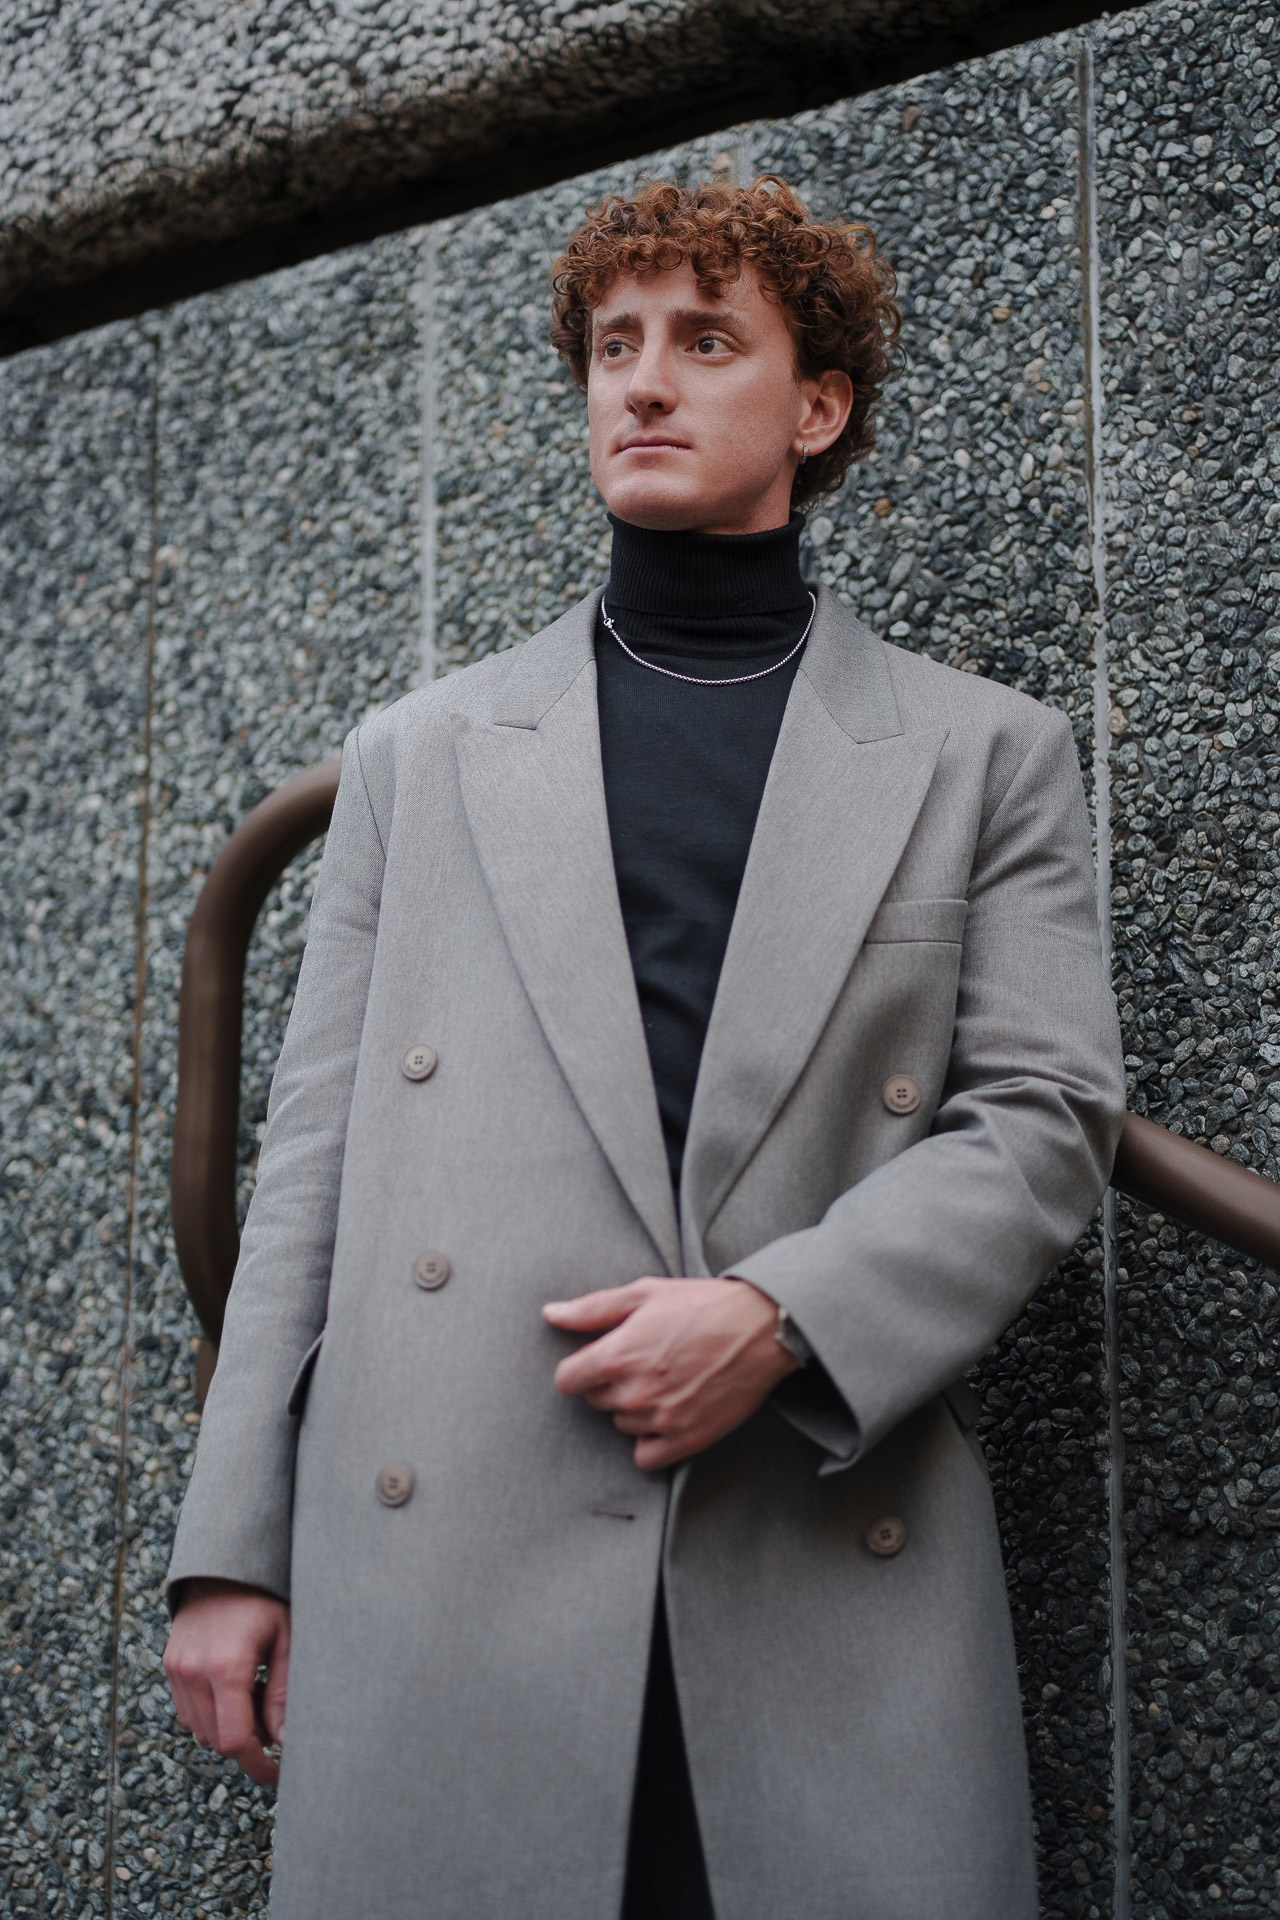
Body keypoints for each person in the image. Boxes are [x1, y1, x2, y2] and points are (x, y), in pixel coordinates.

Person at [163, 175, 1127, 1920]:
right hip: (449, 1542)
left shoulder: (986, 754)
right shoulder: (425, 754)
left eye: (704, 341)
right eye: (615, 348)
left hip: (812, 1529)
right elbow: (308, 1167)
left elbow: (1049, 1112)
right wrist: (228, 1550)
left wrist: (786, 1318)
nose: (644, 384)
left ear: (815, 407)